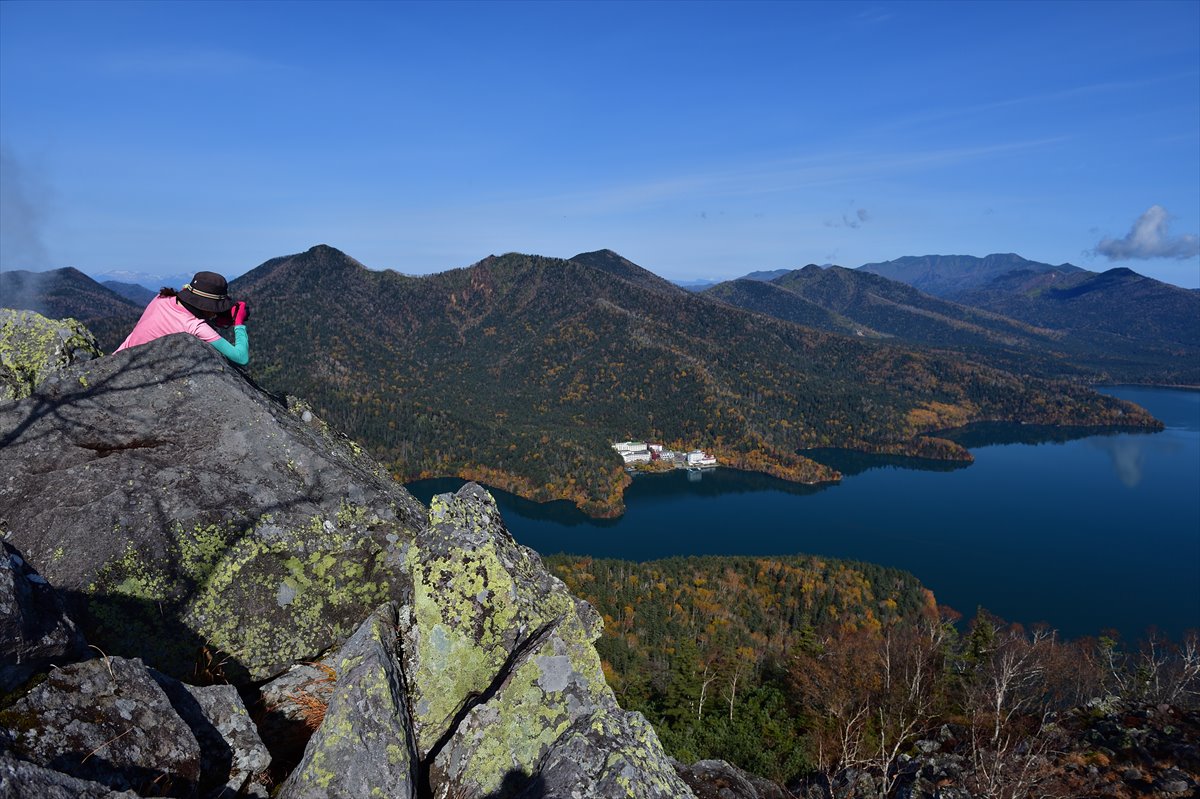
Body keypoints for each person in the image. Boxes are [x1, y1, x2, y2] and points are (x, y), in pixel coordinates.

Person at [114, 271, 250, 365]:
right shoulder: (195, 326)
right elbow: (241, 358)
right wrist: (238, 323)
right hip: (139, 370)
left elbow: (184, 306)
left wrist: (212, 318)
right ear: (209, 307)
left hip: (118, 359)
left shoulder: (162, 298)